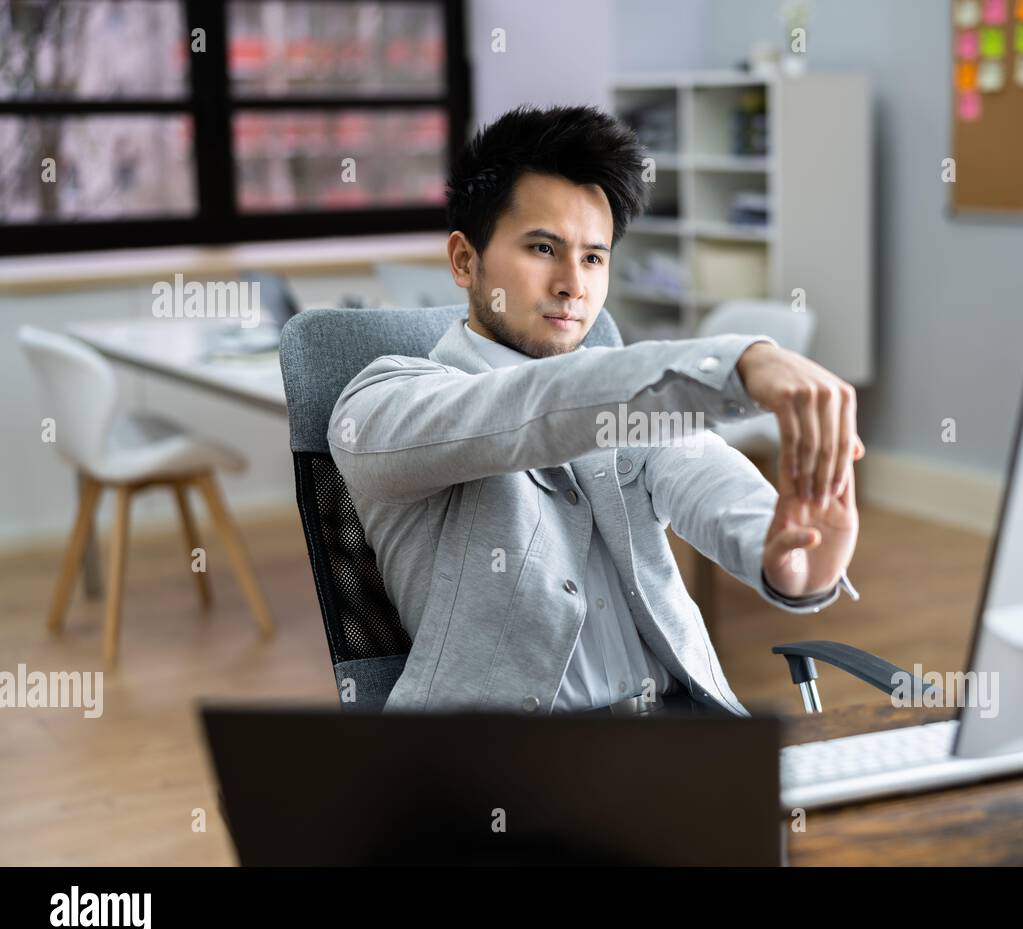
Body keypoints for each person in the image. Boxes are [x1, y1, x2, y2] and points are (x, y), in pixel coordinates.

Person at [329, 105, 862, 717]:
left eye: (593, 257)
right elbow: (532, 407)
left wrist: (793, 558)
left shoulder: (626, 394)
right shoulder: (384, 404)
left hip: (685, 739)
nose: (572, 285)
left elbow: (702, 468)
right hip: (506, 775)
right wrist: (739, 363)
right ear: (464, 260)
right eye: (542, 248)